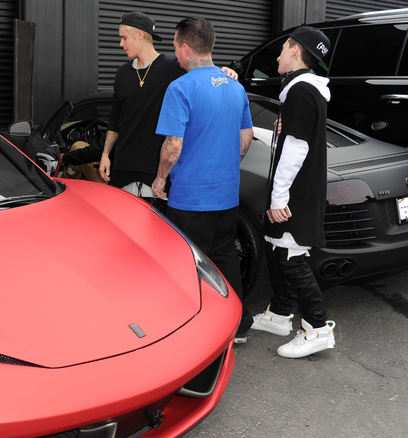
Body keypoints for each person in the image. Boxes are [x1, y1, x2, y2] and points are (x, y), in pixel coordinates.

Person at [150, 17, 254, 342]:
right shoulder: (235, 86)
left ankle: (193, 330)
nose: (176, 57)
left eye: (174, 49)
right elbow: (246, 138)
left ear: (184, 47)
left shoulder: (180, 87)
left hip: (190, 197)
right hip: (226, 195)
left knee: (188, 263)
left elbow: (173, 145)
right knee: (224, 256)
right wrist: (223, 161)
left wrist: (160, 178)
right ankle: (239, 325)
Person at [250, 26, 336, 358]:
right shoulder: (305, 91)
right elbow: (296, 139)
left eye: (283, 48)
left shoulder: (300, 92)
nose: (278, 55)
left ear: (297, 52)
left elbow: (297, 149)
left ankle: (317, 328)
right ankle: (281, 314)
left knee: (291, 256)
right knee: (278, 251)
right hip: (299, 190)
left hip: (295, 194)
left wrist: (278, 198)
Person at [96, 12, 237, 207]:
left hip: (156, 173)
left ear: (140, 35)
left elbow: (203, 70)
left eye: (124, 38)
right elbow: (115, 118)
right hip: (122, 168)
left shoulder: (173, 67)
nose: (121, 44)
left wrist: (225, 72)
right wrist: (105, 155)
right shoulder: (122, 73)